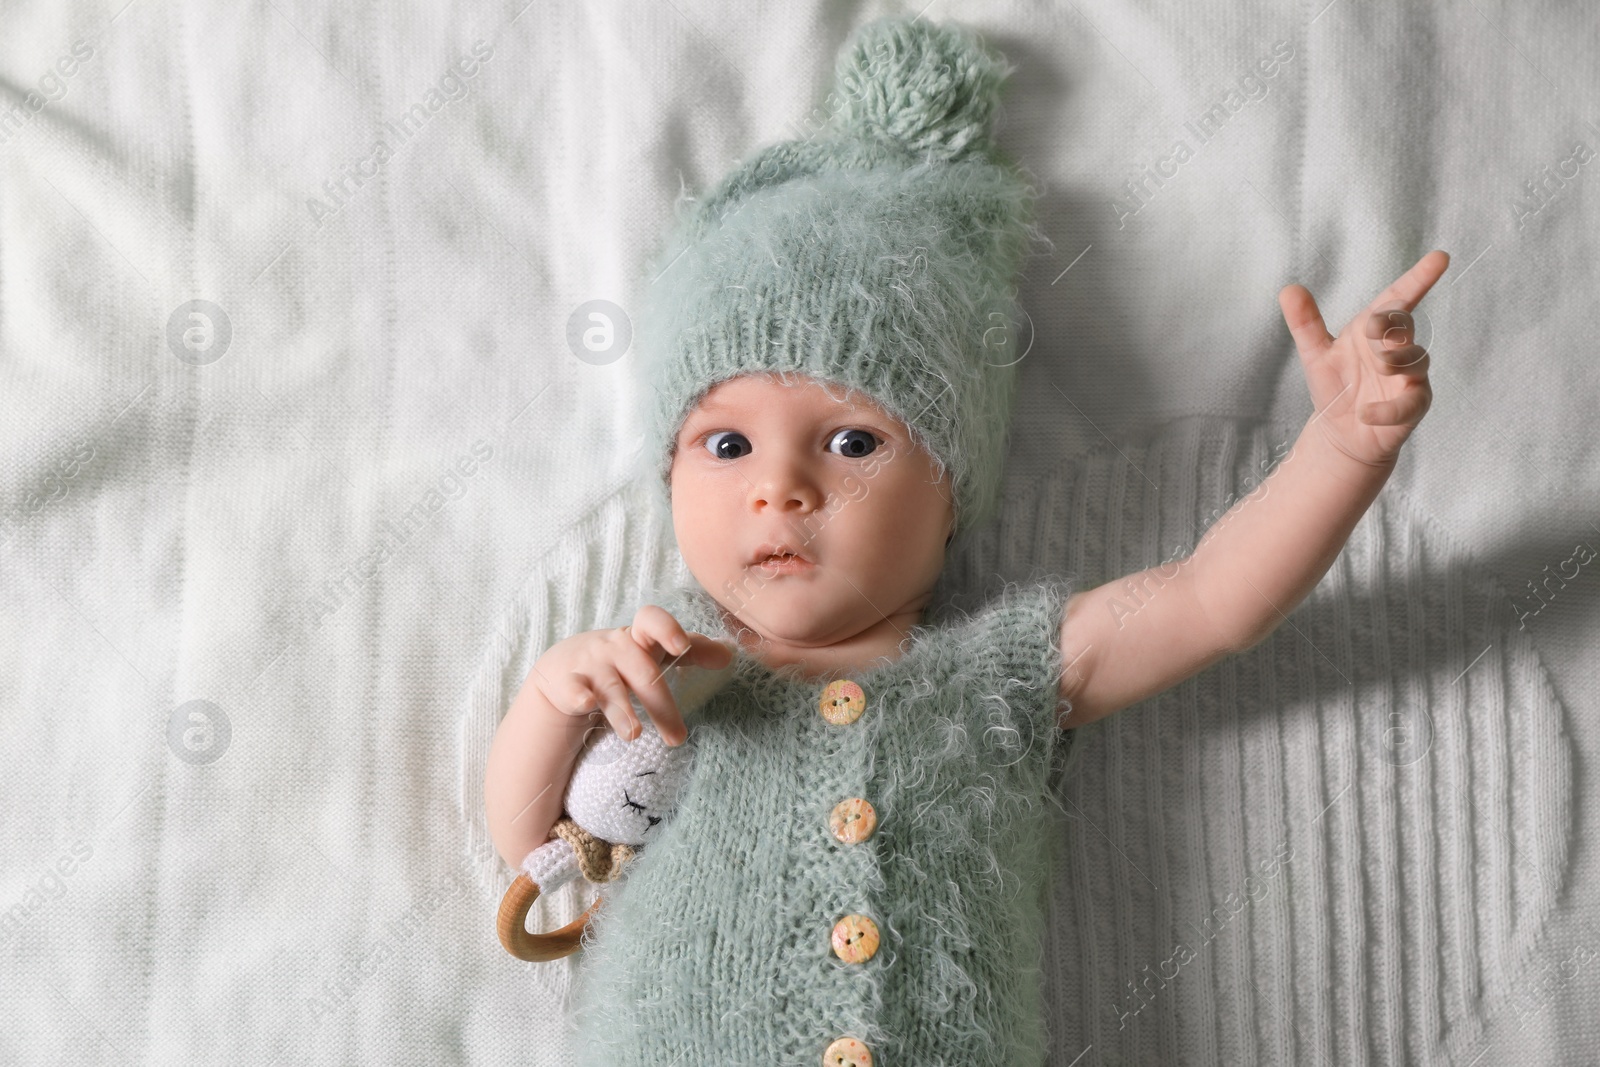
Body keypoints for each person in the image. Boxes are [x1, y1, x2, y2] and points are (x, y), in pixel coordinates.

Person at [483, 15, 1446, 1065]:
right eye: (724, 443)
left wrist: (1342, 448)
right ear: (667, 474)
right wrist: (551, 698)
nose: (781, 487)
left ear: (951, 490)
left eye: (852, 440)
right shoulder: (664, 690)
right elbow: (534, 852)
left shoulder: (1001, 675)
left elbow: (1214, 597)